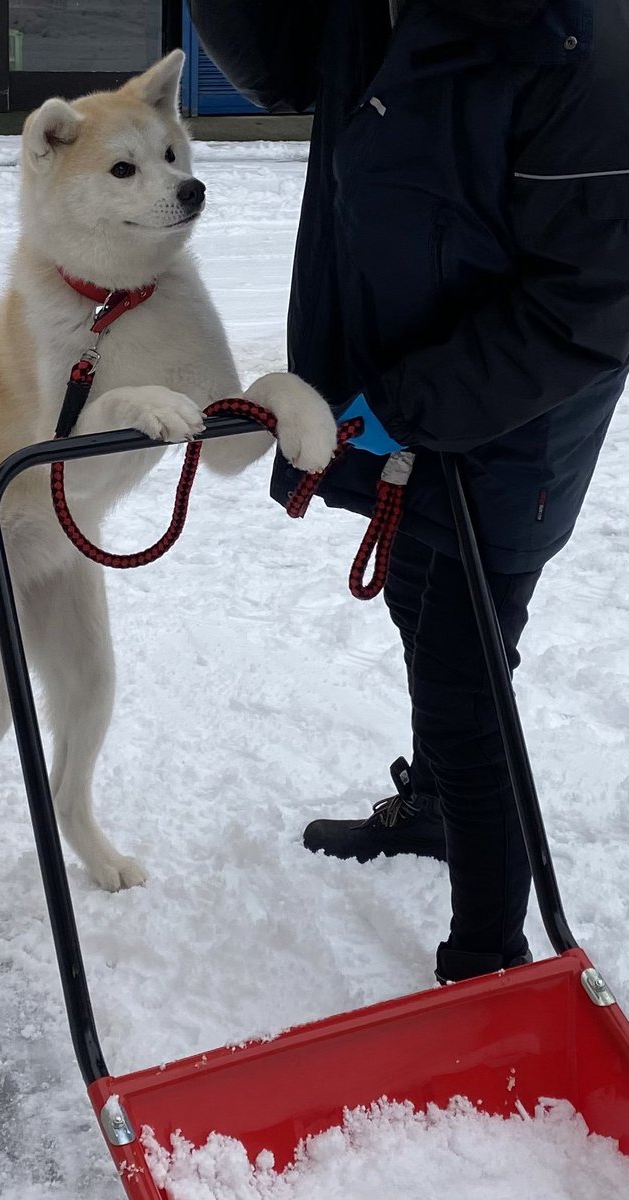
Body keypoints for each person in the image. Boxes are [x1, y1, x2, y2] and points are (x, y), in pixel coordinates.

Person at [187, 0, 629, 983]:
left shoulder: (583, 43)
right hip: (397, 381)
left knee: (467, 677)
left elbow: (592, 303)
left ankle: (488, 962)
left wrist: (405, 406)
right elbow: (285, 67)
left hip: (513, 422)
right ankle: (434, 806)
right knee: (414, 593)